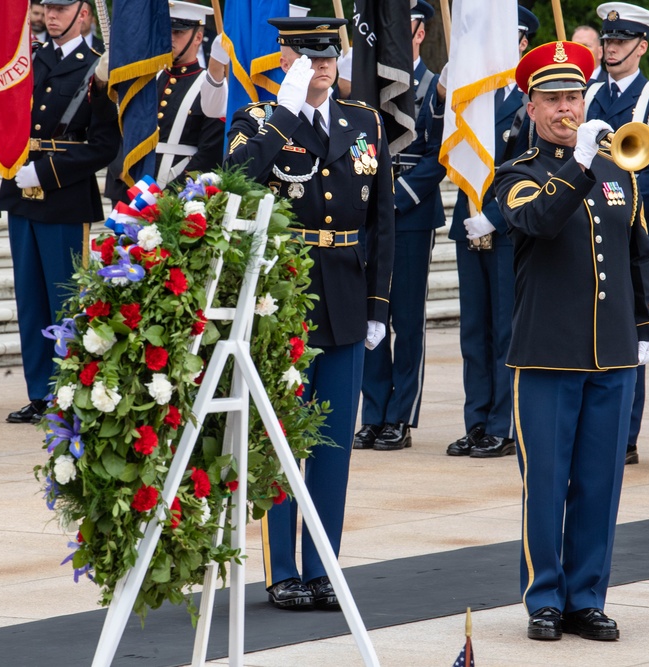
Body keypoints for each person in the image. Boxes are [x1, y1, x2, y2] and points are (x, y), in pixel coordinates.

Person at [225, 16, 394, 611]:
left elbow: (382, 223)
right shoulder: (257, 120)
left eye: (329, 53)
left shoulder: (365, 122)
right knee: (281, 438)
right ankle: (282, 570)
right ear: (285, 57)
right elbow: (238, 181)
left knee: (331, 444)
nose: (321, 64)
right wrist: (288, 115)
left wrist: (379, 304)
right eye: (307, 53)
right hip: (286, 296)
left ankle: (324, 563)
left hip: (347, 294)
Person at [494, 40, 649, 642]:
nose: (567, 109)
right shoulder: (516, 174)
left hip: (613, 353)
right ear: (531, 107)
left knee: (599, 482)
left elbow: (640, 253)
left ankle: (587, 596)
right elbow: (537, 221)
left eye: (574, 97)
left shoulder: (621, 169)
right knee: (546, 483)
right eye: (555, 100)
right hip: (546, 354)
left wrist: (648, 328)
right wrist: (582, 166)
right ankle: (544, 598)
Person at [0, 0, 120, 425]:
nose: (51, 14)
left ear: (83, 14)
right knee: (30, 300)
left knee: (64, 302)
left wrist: (46, 173)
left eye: (61, 8)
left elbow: (105, 145)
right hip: (19, 192)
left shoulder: (99, 68)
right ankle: (38, 393)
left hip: (63, 198)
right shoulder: (27, 61)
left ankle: (67, 392)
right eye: (47, 7)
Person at [584, 1, 649, 465]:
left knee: (629, 326)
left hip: (630, 228)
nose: (611, 48)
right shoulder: (584, 94)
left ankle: (623, 435)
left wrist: (608, 202)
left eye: (620, 42)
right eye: (607, 41)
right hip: (578, 226)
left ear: (642, 46)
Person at [353, 0, 446, 452]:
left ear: (420, 33)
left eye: (401, 26)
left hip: (410, 215)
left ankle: (400, 416)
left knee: (406, 320)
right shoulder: (366, 83)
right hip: (369, 212)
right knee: (371, 313)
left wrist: (398, 199)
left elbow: (439, 158)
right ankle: (373, 413)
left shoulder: (434, 87)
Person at [445, 5, 537, 460]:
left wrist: (495, 217)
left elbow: (533, 171)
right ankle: (476, 420)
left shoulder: (528, 101)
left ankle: (504, 423)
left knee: (505, 331)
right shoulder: (471, 91)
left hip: (506, 230)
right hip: (468, 223)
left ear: (521, 45)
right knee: (473, 331)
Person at [103, 1, 224, 204]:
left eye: (178, 32)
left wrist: (171, 195)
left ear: (198, 37)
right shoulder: (145, 79)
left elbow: (210, 153)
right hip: (131, 190)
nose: (170, 38)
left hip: (177, 198)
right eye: (167, 30)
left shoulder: (211, 87)